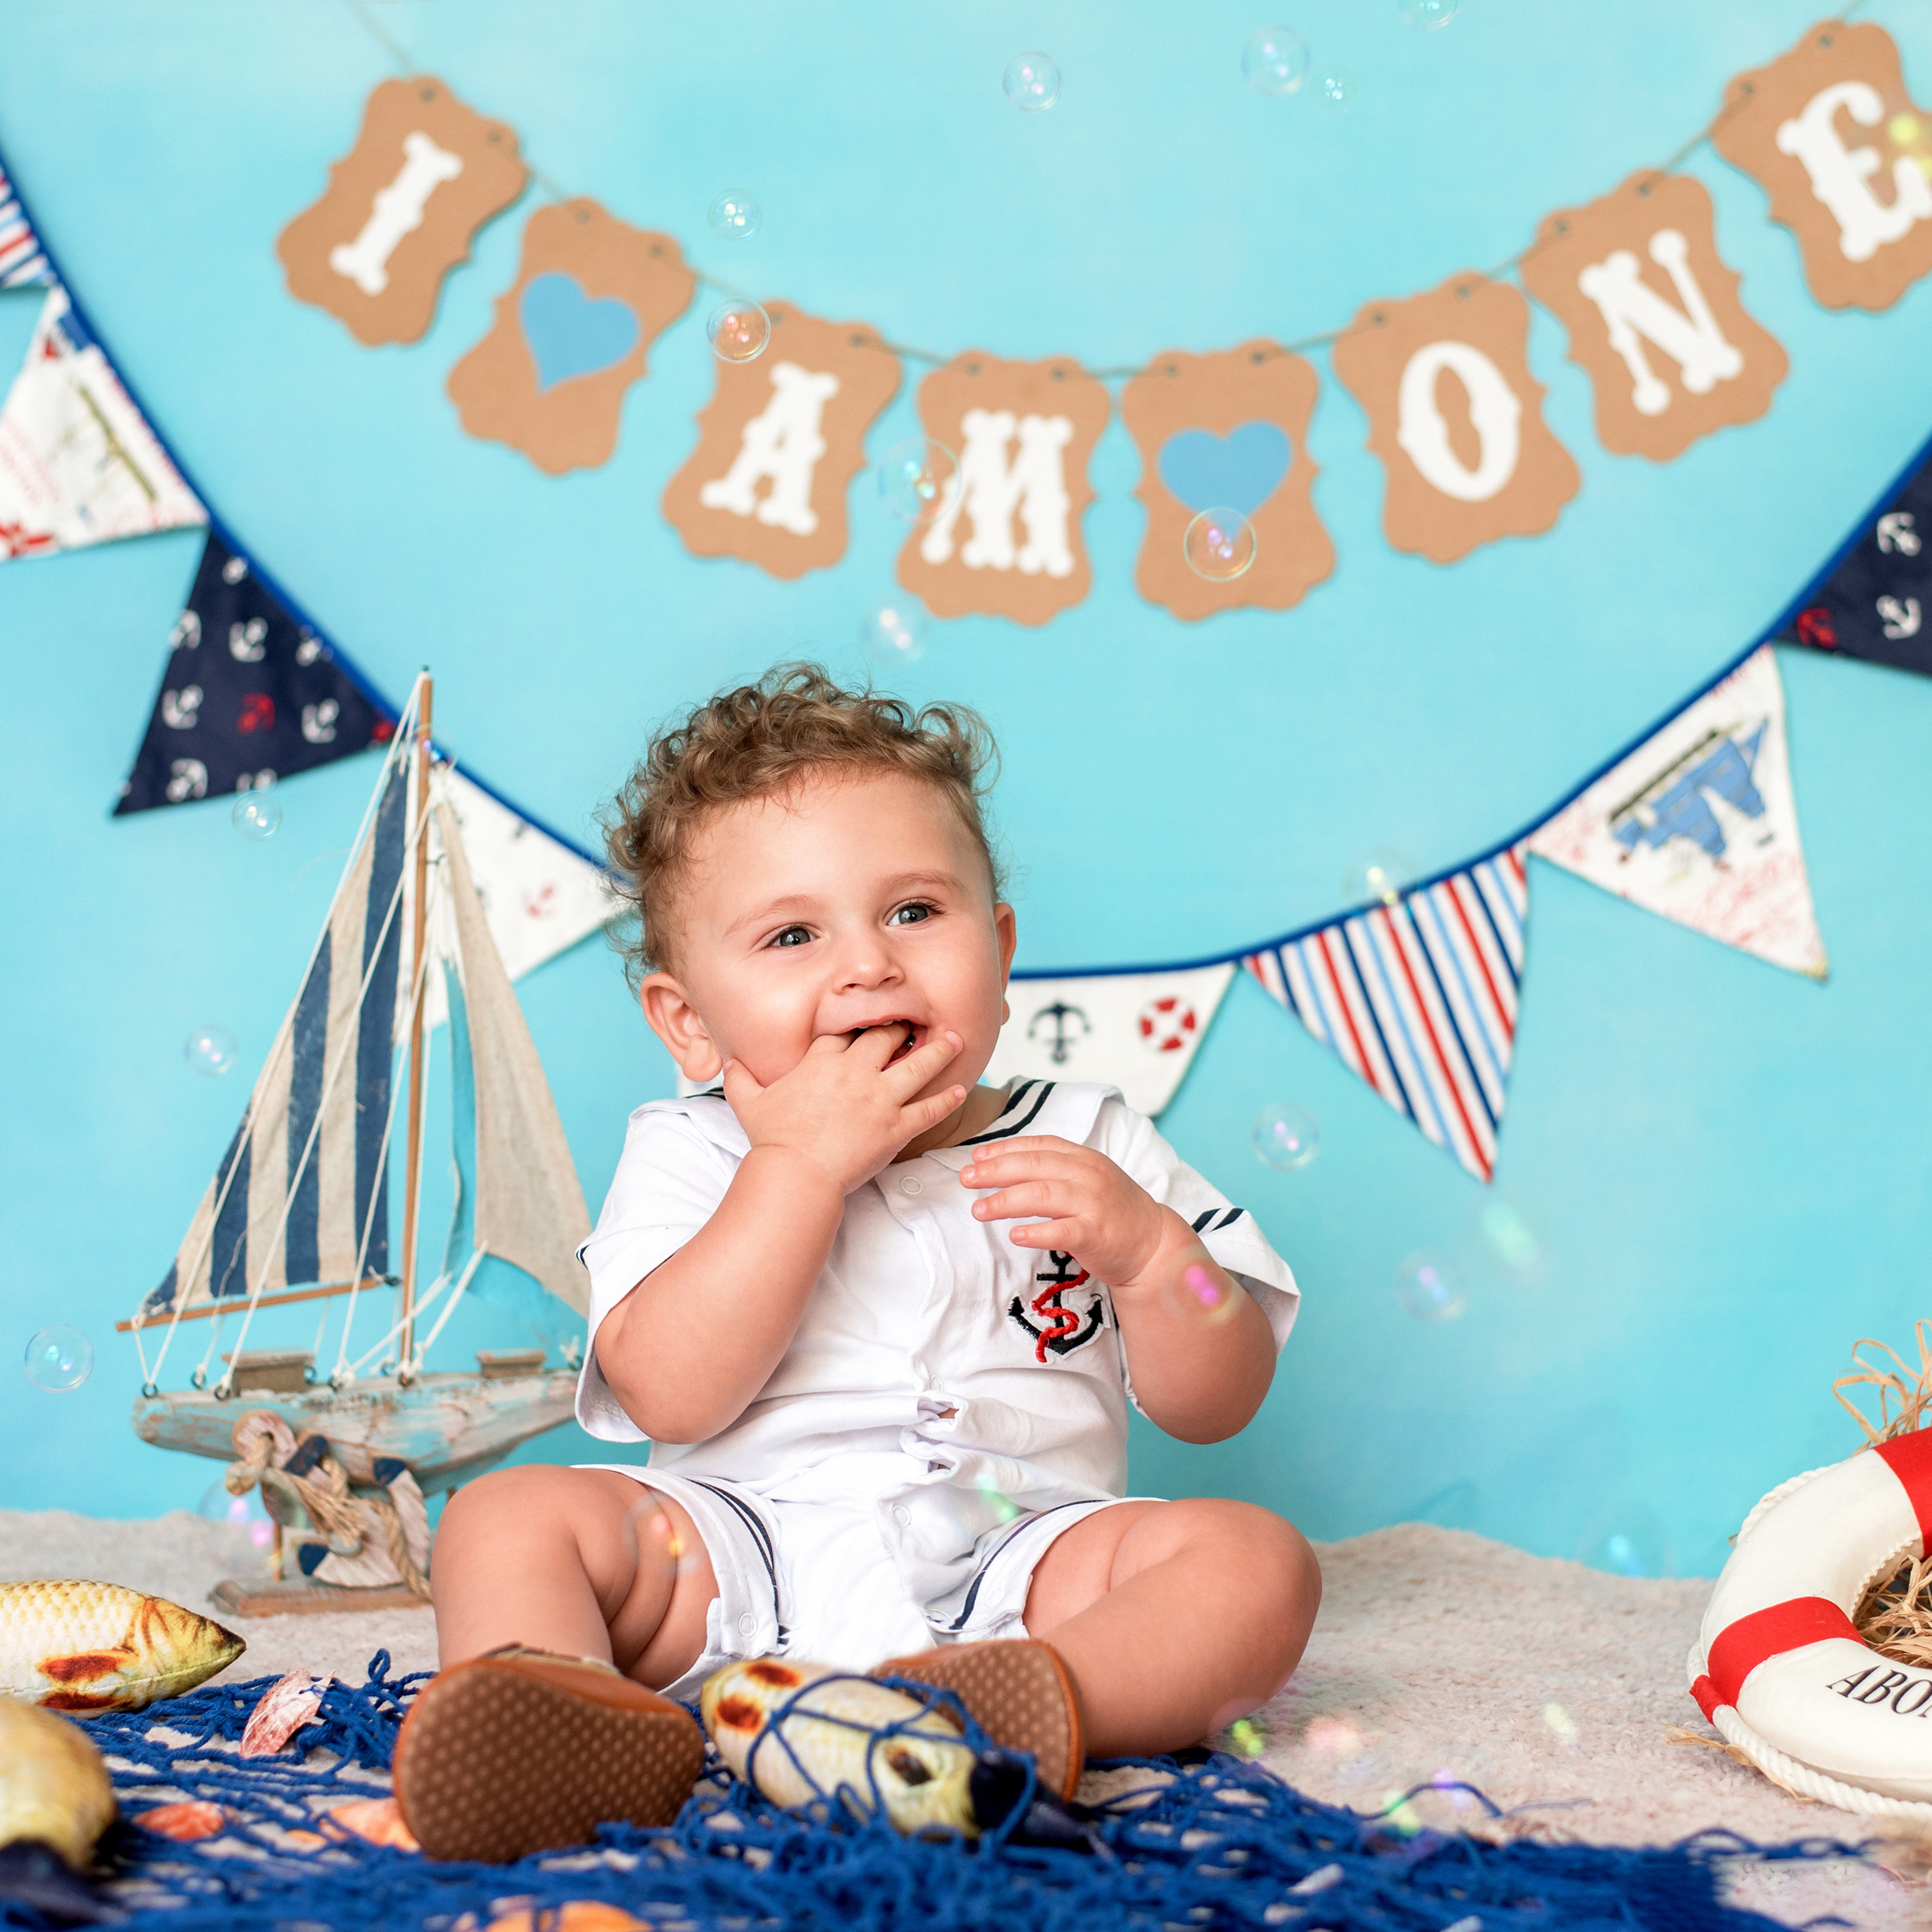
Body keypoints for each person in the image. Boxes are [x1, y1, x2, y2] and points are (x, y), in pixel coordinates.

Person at [392, 666, 1321, 1861]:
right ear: (687, 1022)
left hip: (1020, 1567)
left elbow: (1220, 1398)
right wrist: (795, 1170)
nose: (869, 967)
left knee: (1253, 1564)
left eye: (915, 913)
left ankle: (1015, 1708)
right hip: (732, 1559)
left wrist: (1149, 1252)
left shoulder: (1092, 1139)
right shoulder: (689, 1150)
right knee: (509, 1513)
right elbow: (672, 1392)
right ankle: (557, 1709)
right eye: (791, 935)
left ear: (997, 946)